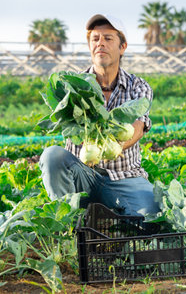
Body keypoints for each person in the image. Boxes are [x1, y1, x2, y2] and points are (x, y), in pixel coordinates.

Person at [39, 14, 159, 216]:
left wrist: (113, 147)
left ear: (122, 47)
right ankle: (69, 222)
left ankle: (120, 216)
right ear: (90, 46)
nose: (100, 44)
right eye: (95, 39)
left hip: (125, 176)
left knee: (151, 218)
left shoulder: (138, 86)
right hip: (83, 174)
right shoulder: (73, 87)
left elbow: (138, 128)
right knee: (52, 155)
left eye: (108, 38)